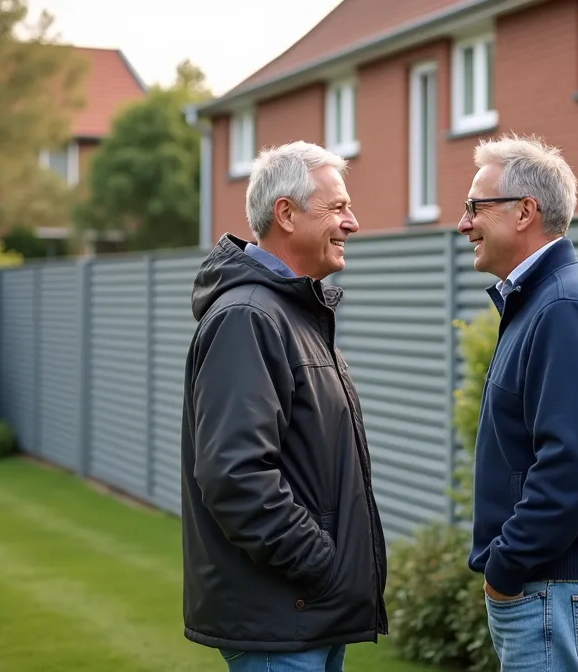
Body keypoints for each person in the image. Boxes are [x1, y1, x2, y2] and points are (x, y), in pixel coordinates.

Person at [178, 140, 388, 672]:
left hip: (306, 615)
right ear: (286, 214)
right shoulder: (250, 316)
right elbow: (235, 475)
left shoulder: (291, 312)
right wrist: (321, 565)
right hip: (283, 621)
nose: (353, 223)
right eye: (338, 208)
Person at [459, 133, 578, 672]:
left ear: (524, 212)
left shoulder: (563, 308)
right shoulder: (546, 301)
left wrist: (506, 568)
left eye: (475, 207)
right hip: (547, 584)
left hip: (550, 584)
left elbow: (572, 467)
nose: (463, 223)